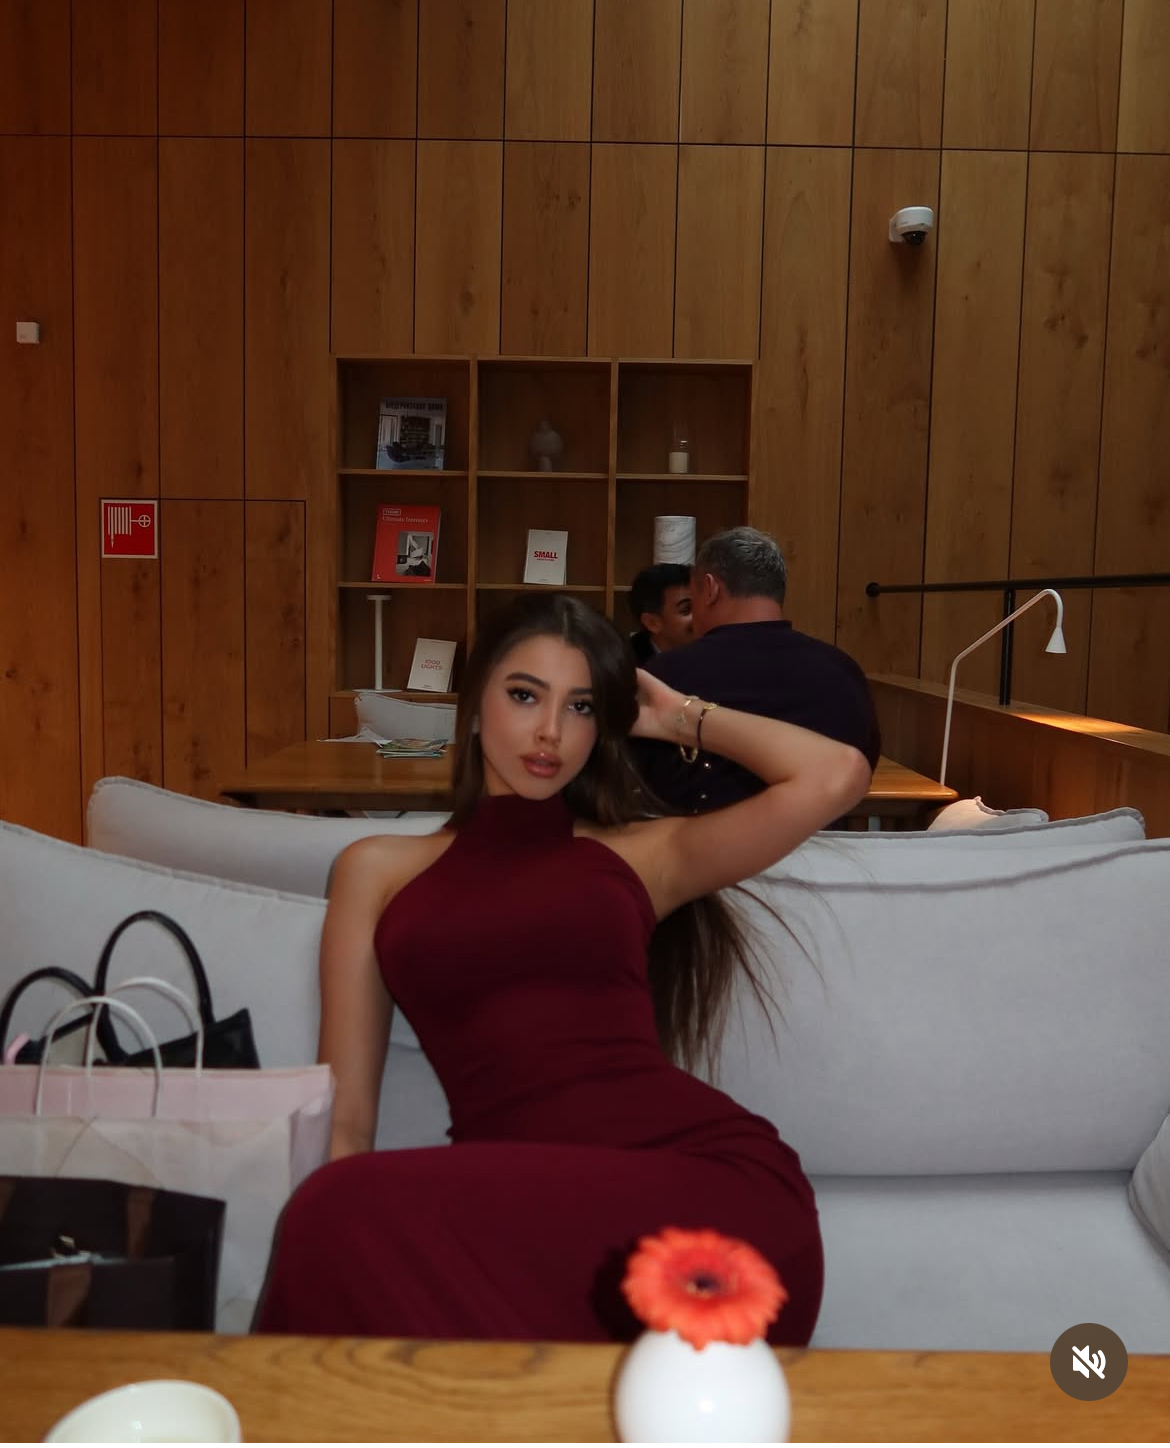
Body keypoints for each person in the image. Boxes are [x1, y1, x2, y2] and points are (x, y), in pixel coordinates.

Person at [253, 593, 870, 1345]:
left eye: (581, 707)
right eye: (524, 695)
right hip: (516, 1204)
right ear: (473, 705)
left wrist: (677, 718)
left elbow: (836, 774)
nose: (550, 731)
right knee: (332, 1206)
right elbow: (347, 1120)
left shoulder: (641, 856)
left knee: (337, 1209)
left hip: (709, 1188)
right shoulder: (376, 869)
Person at [634, 527, 880, 815]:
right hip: (822, 836)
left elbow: (631, 777)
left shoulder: (664, 678)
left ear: (710, 589)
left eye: (693, 597)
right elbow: (863, 765)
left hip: (700, 839)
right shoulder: (844, 671)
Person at [626, 563, 693, 665]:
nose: (700, 616)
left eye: (702, 606)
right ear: (652, 623)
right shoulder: (625, 665)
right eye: (686, 609)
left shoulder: (712, 651)